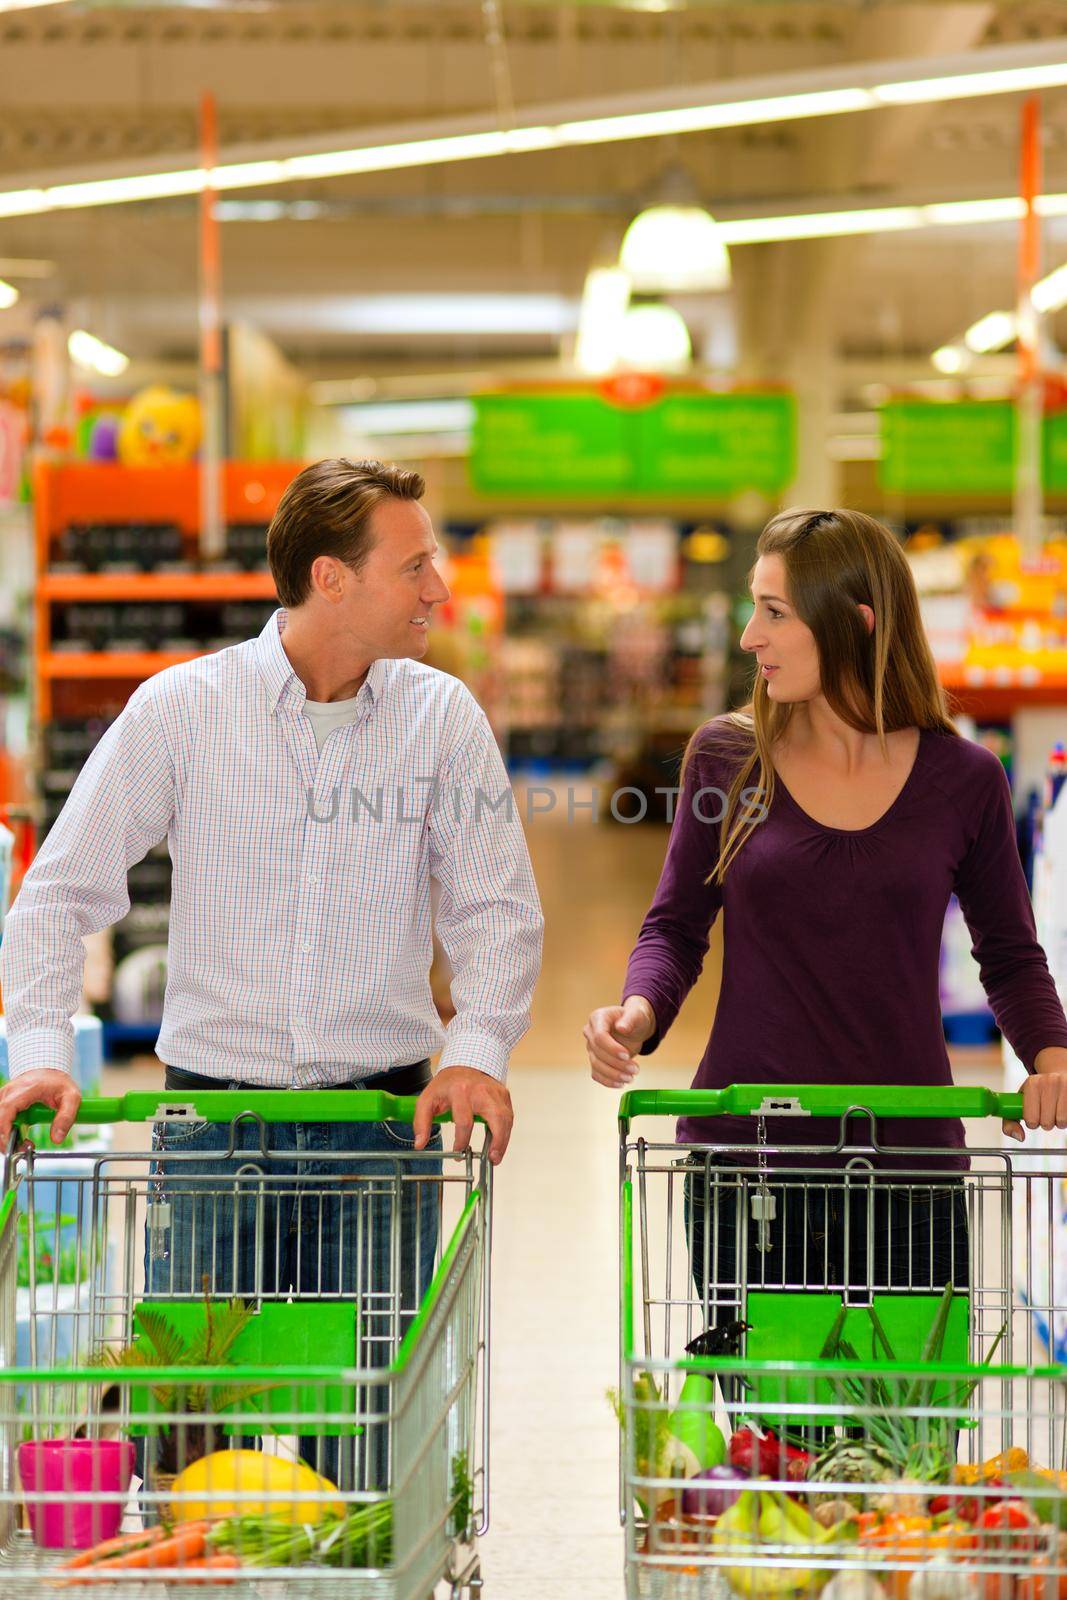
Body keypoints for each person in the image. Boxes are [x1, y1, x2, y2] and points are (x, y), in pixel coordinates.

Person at [0, 456, 544, 1480]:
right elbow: (56, 895)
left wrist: (475, 1052)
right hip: (211, 1137)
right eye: (415, 563)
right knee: (197, 1445)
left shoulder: (442, 720)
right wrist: (39, 1051)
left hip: (383, 1136)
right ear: (331, 578)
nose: (439, 587)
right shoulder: (183, 711)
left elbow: (497, 911)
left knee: (372, 1446)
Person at [584, 507, 1067, 1340]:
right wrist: (638, 1012)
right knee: (770, 1453)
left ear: (855, 623)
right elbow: (676, 925)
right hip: (749, 1165)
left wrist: (1050, 1058)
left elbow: (1010, 956)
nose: (748, 638)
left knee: (904, 1454)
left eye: (773, 612)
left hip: (910, 1169)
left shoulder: (964, 779)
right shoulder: (726, 758)